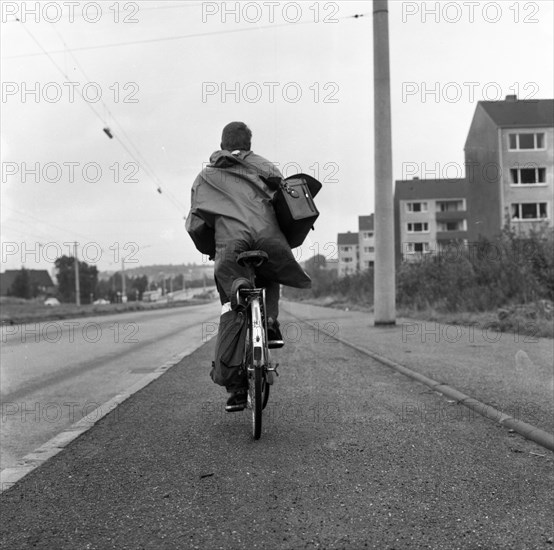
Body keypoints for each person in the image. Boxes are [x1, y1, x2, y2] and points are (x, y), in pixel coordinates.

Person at [186, 122, 311, 411]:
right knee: (272, 270)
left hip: (231, 247)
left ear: (222, 145)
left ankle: (236, 390)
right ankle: (270, 323)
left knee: (232, 304)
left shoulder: (206, 176)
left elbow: (195, 224)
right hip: (268, 239)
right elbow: (286, 207)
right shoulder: (268, 168)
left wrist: (210, 249)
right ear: (250, 144)